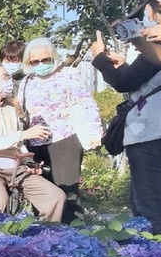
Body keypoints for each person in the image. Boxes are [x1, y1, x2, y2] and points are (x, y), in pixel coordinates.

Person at [90, 0, 161, 236]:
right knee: (141, 203)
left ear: (158, 6)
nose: (147, 18)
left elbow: (124, 81)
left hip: (151, 129)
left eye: (146, 12)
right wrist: (137, 46)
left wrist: (100, 58)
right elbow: (147, 72)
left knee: (151, 208)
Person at [0, 62, 66, 221]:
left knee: (55, 196)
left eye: (9, 77)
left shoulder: (11, 108)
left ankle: (47, 237)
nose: (9, 81)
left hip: (15, 168)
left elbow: (19, 146)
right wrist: (23, 134)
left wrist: (30, 164)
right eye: (4, 77)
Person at [16, 37, 103, 221]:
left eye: (45, 60)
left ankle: (73, 235)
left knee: (68, 191)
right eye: (35, 61)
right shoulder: (26, 81)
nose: (41, 64)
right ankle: (43, 235)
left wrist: (95, 134)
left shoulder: (69, 74)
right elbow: (23, 113)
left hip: (64, 139)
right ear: (28, 63)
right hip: (35, 144)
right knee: (42, 193)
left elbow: (86, 104)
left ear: (53, 57)